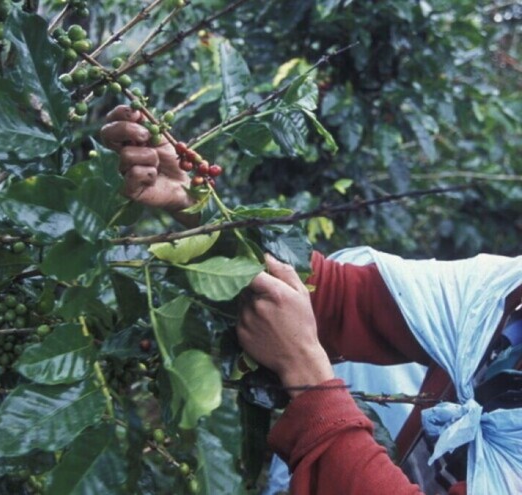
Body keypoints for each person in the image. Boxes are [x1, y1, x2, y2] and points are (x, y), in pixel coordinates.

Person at [100, 105, 522, 494]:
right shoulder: (506, 293)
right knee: (355, 262)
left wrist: (306, 374)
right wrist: (198, 206)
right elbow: (343, 299)